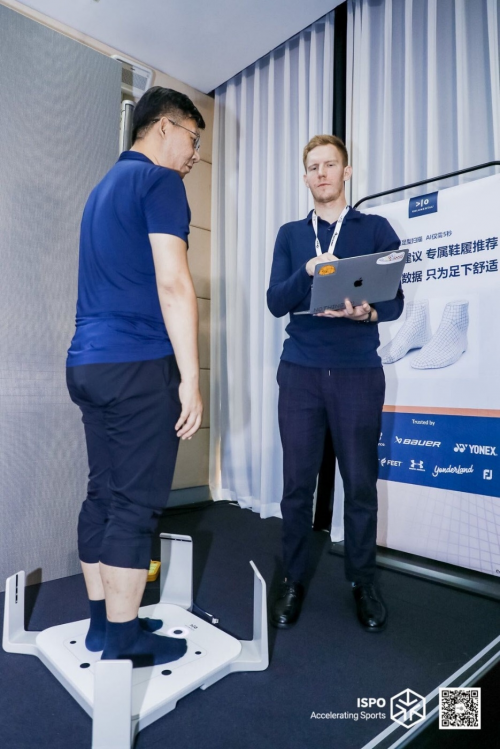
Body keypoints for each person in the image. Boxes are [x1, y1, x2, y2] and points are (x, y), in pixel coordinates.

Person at [66, 87, 205, 667]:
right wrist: (190, 378)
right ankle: (125, 642)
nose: (194, 154)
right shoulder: (160, 182)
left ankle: (103, 626)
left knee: (102, 492)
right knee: (133, 505)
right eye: (193, 138)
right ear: (163, 127)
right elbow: (173, 284)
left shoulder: (101, 190)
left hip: (87, 362)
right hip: (136, 364)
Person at [267, 134, 404, 632]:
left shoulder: (375, 229)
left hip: (357, 372)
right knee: (297, 485)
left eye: (330, 164)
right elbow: (275, 301)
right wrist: (307, 272)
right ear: (305, 176)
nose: (321, 173)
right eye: (313, 166)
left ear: (346, 172)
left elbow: (395, 302)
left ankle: (363, 581)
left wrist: (367, 312)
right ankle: (293, 579)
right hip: (301, 371)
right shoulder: (291, 235)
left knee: (360, 484)